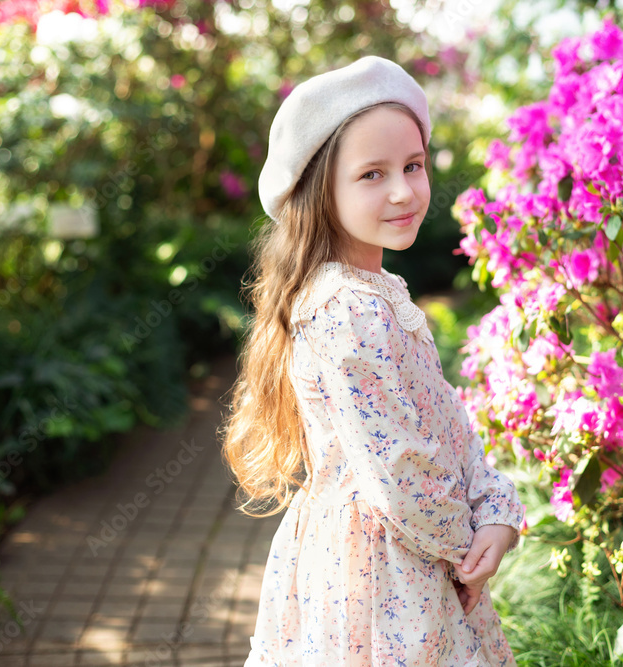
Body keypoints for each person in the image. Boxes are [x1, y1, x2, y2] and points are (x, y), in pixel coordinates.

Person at [220, 55, 525, 667]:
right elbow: (399, 470)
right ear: (320, 191)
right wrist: (468, 542)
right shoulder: (344, 310)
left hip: (412, 553)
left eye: (413, 166)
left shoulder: (376, 293)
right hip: (383, 572)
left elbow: (444, 418)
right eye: (371, 174)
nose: (403, 191)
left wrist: (495, 507)